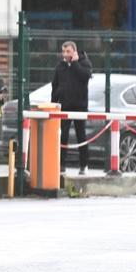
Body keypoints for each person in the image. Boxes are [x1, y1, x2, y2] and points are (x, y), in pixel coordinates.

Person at [51, 41, 93, 174]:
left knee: (81, 135)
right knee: (63, 136)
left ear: (74, 51)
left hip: (79, 106)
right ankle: (61, 165)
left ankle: (84, 165)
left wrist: (75, 63)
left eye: (68, 51)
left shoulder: (84, 63)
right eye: (63, 51)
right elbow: (55, 85)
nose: (65, 54)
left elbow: (85, 77)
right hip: (65, 106)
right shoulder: (60, 66)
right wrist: (54, 103)